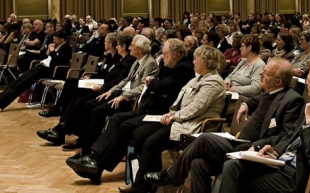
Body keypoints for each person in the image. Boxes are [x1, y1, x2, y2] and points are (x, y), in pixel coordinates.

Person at [79, 45, 226, 193]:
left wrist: (173, 116)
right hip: (180, 120)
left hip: (194, 126)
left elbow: (196, 107)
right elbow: (179, 101)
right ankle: (144, 182)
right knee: (139, 134)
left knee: (150, 142)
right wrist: (171, 113)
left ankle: (142, 186)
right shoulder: (198, 79)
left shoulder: (213, 82)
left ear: (206, 61)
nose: (193, 62)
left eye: (196, 59)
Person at [144, 58, 304, 193]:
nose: (261, 74)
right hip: (241, 143)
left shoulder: (292, 100)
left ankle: (172, 175)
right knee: (198, 163)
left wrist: (256, 147)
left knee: (205, 139)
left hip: (255, 150)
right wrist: (246, 103)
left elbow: (285, 136)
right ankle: (174, 175)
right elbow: (260, 98)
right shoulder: (270, 92)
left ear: (278, 81)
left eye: (266, 73)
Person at [64, 38, 194, 183]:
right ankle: (94, 156)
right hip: (149, 106)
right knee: (117, 118)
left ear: (174, 54)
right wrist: (156, 87)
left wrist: (154, 85)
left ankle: (98, 166)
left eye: (165, 53)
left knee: (126, 126)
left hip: (160, 112)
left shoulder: (183, 68)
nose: (162, 56)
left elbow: (161, 86)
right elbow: (157, 87)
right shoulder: (169, 67)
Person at [217, 56, 310, 193]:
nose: (306, 82)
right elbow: (291, 134)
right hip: (282, 162)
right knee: (233, 166)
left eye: (309, 80)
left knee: (241, 180)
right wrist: (276, 150)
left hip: (300, 176)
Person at [0, 30, 72, 112]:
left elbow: (58, 62)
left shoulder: (67, 48)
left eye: (56, 38)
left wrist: (52, 52)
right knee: (16, 82)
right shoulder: (57, 46)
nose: (54, 40)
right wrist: (48, 51)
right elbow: (46, 56)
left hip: (50, 71)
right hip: (41, 67)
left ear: (62, 39)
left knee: (21, 85)